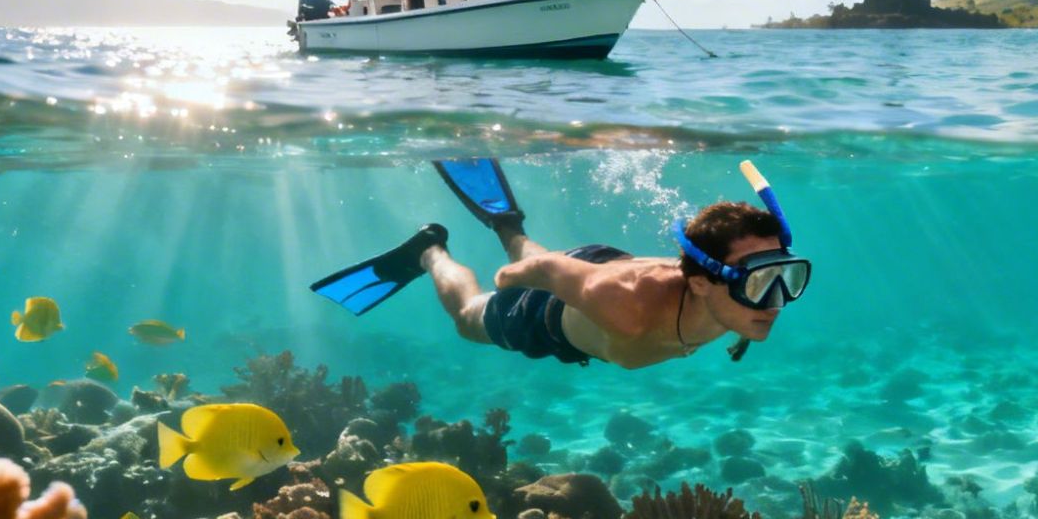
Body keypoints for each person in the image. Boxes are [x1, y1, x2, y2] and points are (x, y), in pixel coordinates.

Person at [310, 159, 811, 368]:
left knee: (548, 258)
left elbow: (750, 289)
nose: (777, 302)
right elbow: (548, 274)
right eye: (760, 282)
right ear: (702, 283)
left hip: (597, 270)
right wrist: (507, 280)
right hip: (551, 311)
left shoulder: (741, 298)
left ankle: (507, 224)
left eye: (785, 278)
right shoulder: (625, 306)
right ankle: (429, 250)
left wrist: (744, 330)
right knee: (468, 320)